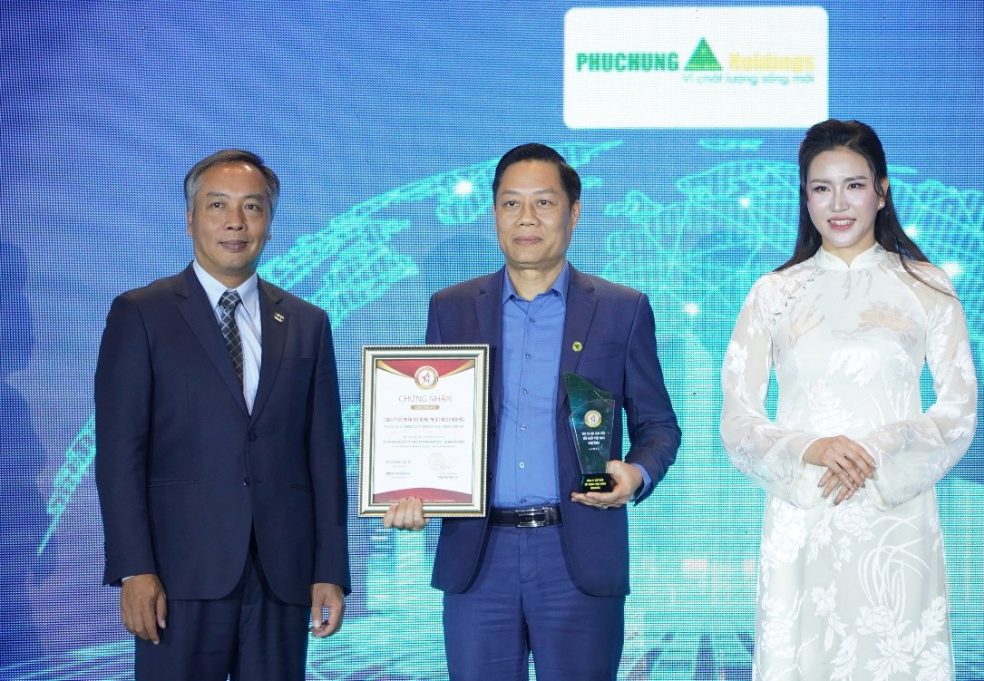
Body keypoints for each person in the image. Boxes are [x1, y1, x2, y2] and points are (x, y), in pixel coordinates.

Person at [384, 143, 680, 681]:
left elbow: (659, 426)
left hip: (577, 552)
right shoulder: (452, 308)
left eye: (543, 203)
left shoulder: (622, 309)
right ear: (494, 213)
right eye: (510, 203)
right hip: (479, 557)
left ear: (574, 212)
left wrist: (635, 474)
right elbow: (431, 420)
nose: (526, 218)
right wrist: (414, 488)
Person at [720, 120, 977, 680]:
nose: (838, 204)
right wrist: (809, 447)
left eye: (854, 185)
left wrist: (881, 446)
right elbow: (738, 419)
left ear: (881, 191)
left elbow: (958, 411)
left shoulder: (927, 287)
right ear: (805, 196)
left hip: (896, 514)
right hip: (804, 510)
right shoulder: (773, 293)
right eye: (822, 188)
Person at [95, 149, 349, 680]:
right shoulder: (141, 313)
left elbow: (325, 457)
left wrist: (330, 569)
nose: (236, 222)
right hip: (177, 578)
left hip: (281, 577)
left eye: (252, 207)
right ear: (190, 219)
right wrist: (134, 568)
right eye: (218, 205)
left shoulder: (307, 323)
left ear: (269, 222)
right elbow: (120, 456)